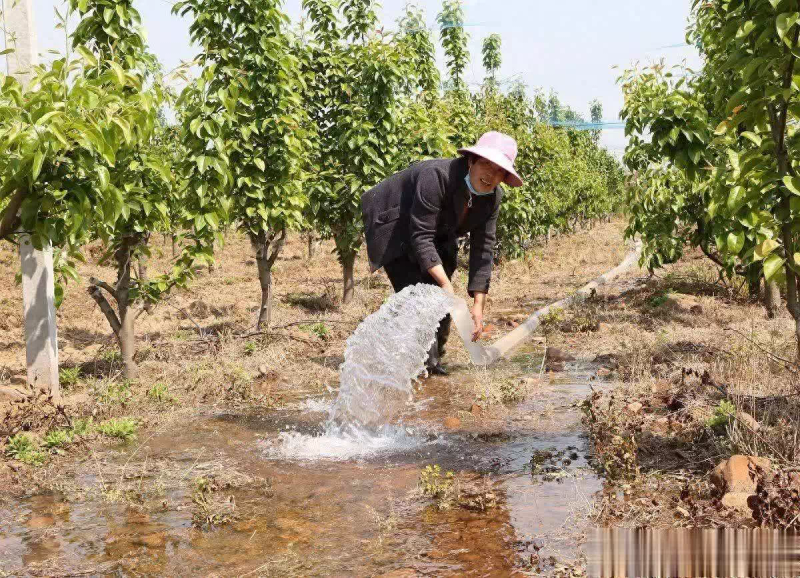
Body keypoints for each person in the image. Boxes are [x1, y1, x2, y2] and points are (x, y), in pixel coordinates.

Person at [361, 131, 524, 375]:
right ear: (471, 161)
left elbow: (484, 248)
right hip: (396, 223)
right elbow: (420, 237)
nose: (490, 174)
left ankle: (433, 358)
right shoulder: (435, 176)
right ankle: (422, 367)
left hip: (440, 230)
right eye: (486, 164)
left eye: (499, 170)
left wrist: (478, 306)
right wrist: (445, 287)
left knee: (442, 297)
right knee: (417, 294)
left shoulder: (492, 198)